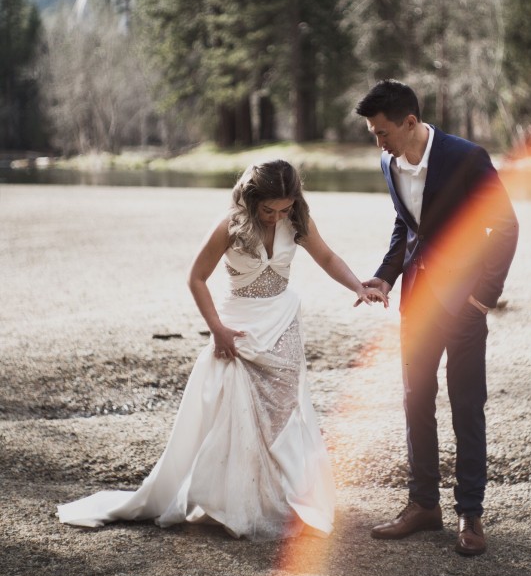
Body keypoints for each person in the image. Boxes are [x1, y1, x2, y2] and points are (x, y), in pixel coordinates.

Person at [57, 160, 387, 540]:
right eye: (269, 210)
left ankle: (282, 499)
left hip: (282, 321)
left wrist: (358, 286)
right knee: (236, 409)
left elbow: (327, 258)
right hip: (238, 326)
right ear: (251, 200)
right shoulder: (230, 225)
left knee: (282, 412)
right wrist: (217, 330)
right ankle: (236, 501)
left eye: (284, 209)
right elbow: (196, 277)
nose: (277, 217)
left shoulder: (297, 220)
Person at [355, 80, 518, 555]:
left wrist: (483, 298)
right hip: (417, 301)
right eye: (373, 134)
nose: (378, 143)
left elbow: (505, 226)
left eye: (382, 133)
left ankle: (470, 512)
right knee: (415, 400)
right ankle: (424, 505)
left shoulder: (467, 157)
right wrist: (385, 277)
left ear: (410, 122)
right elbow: (406, 225)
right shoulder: (388, 162)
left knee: (466, 405)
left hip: (465, 304)